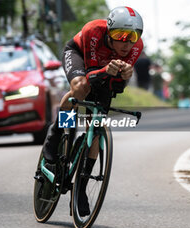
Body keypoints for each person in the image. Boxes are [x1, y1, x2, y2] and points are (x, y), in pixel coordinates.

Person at [41, 6, 144, 216]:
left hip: (104, 70)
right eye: (119, 35)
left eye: (131, 36)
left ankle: (81, 186)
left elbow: (116, 87)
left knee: (97, 126)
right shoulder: (93, 31)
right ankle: (57, 132)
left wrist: (125, 76)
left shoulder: (136, 47)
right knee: (80, 87)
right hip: (79, 56)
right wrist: (107, 71)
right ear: (109, 31)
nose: (125, 43)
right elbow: (90, 77)